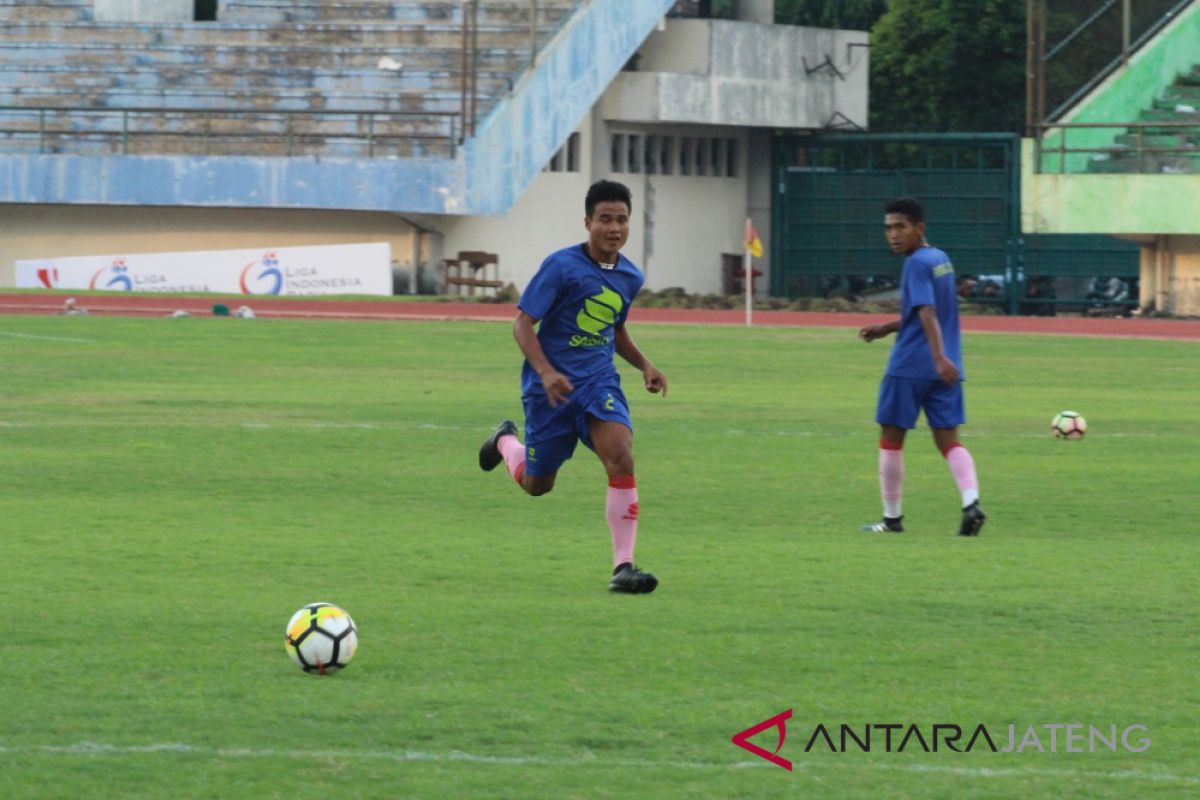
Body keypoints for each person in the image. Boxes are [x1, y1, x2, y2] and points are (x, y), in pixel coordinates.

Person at [478, 179, 668, 594]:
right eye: (605, 219)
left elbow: (613, 328)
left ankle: (623, 567)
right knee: (537, 484)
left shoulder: (630, 276)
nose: (614, 228)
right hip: (551, 391)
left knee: (621, 455)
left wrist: (644, 365)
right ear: (588, 222)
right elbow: (522, 323)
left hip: (598, 384)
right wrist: (546, 372)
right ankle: (504, 442)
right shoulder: (561, 267)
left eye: (621, 220)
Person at [858, 197, 985, 537]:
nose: (893, 235)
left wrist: (936, 356)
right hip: (947, 368)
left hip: (912, 365)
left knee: (890, 437)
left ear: (919, 228)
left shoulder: (915, 263)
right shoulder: (940, 258)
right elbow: (925, 311)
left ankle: (892, 519)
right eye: (888, 228)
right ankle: (971, 502)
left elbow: (928, 312)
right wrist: (886, 328)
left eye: (900, 227)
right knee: (948, 439)